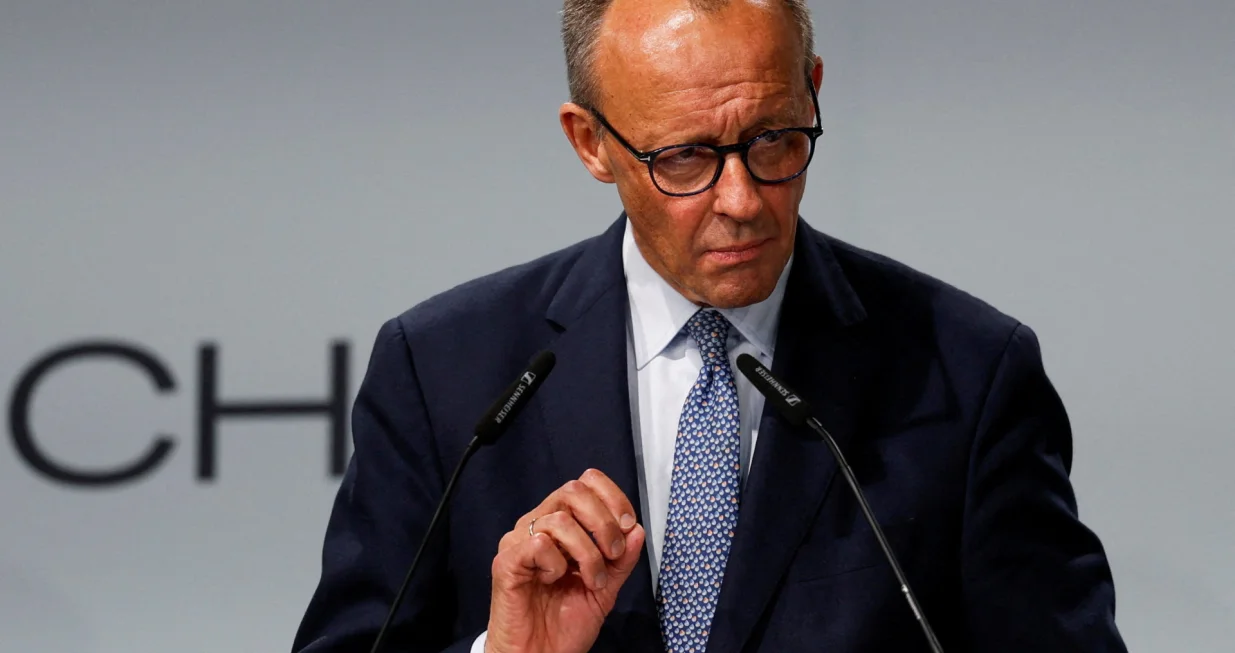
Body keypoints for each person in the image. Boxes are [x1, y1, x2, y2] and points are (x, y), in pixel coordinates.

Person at [291, 1, 1127, 651]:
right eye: (684, 157)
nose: (741, 199)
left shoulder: (968, 372)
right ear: (590, 143)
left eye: (774, 139)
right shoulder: (443, 371)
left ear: (815, 92)